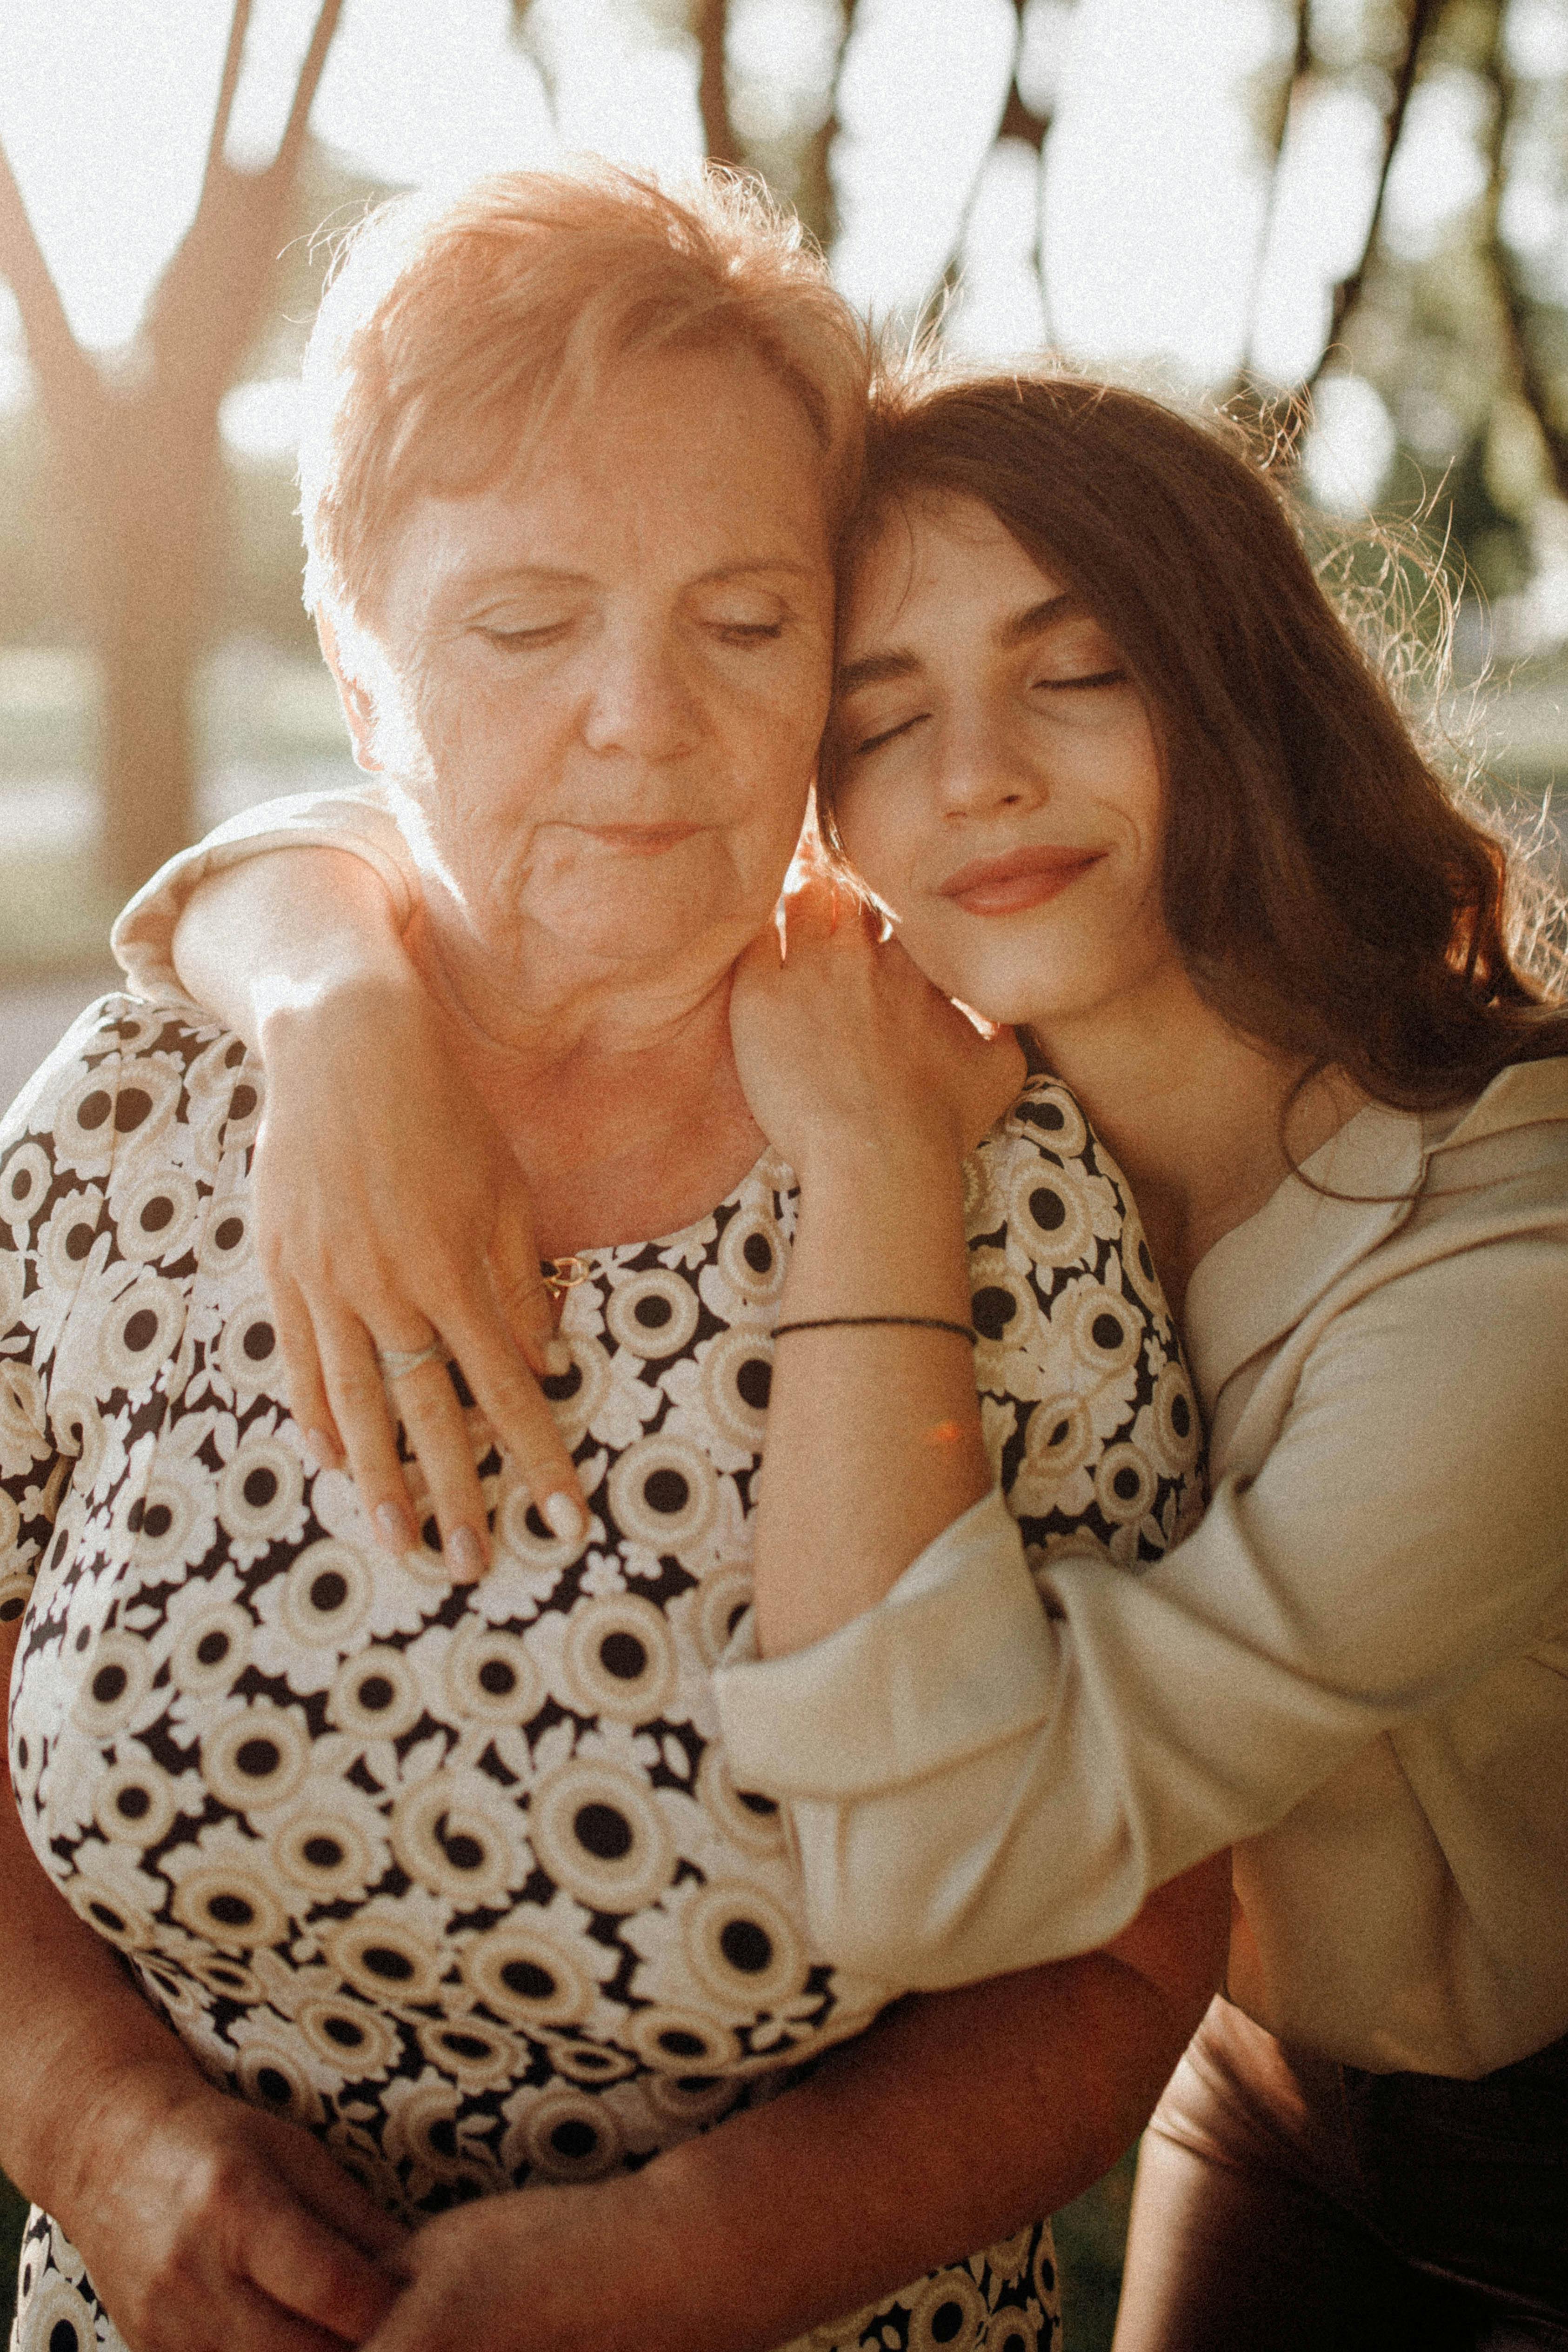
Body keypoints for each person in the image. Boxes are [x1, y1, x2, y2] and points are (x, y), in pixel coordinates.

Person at [123, 362, 1568, 2349]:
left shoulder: (1508, 1283)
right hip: (1266, 2094)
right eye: (879, 715)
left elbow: (934, 1877)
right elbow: (459, 800)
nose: (969, 772)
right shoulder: (975, 1056)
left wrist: (881, 1163)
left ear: (1240, 692)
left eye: (1074, 674)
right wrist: (328, 993)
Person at [0, 169, 1225, 2352]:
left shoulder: (991, 1169)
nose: (646, 717)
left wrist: (701, 2262)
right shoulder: (137, 1116)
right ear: (363, 666)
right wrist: (90, 2121)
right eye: (526, 621)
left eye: (744, 623)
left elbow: (1130, 1946)